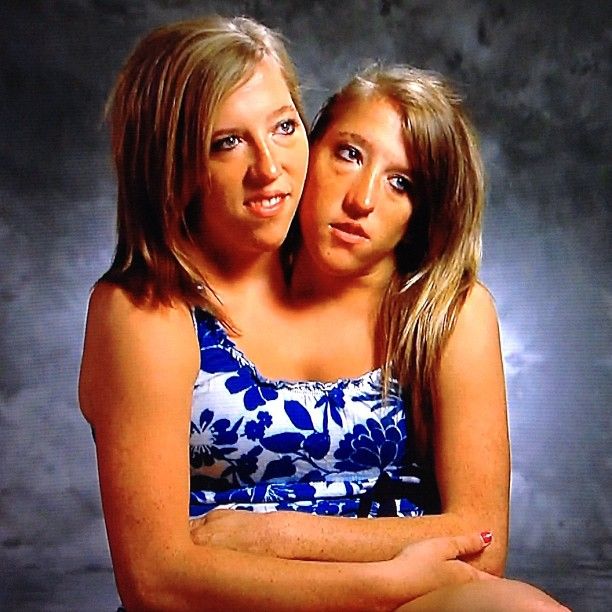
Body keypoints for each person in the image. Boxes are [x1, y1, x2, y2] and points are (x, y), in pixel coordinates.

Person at [80, 17, 501, 611]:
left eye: (283, 127)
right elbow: (156, 582)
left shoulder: (431, 308)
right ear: (171, 165)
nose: (270, 169)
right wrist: (385, 583)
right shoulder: (148, 312)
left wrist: (274, 534)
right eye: (227, 142)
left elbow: (479, 540)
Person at [186, 64, 569, 610]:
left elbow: (480, 542)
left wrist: (275, 533)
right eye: (349, 154)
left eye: (401, 183)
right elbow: (156, 564)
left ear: (423, 212)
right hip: (227, 593)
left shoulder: (446, 315)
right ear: (308, 150)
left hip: (401, 598)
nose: (362, 200)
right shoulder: (187, 302)